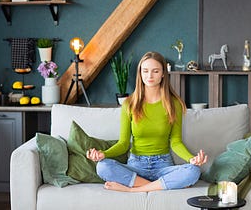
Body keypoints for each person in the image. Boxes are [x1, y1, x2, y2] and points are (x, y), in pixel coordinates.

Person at [87, 51, 207, 192]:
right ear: (140, 74)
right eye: (145, 71)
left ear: (163, 74)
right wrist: (104, 154)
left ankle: (134, 188)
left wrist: (191, 158)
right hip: (136, 166)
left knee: (193, 171)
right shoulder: (129, 104)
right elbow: (123, 143)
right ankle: (162, 185)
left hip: (163, 165)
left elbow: (175, 142)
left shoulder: (174, 104)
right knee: (102, 166)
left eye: (155, 71)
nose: (150, 76)